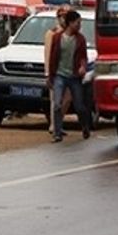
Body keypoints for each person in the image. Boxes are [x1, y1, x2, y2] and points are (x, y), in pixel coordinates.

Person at [47, 10, 91, 142]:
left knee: (79, 106)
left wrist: (83, 67)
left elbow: (83, 56)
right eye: (78, 23)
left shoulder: (80, 39)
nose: (79, 25)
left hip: (74, 77)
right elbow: (52, 58)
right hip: (60, 75)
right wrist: (50, 76)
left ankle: (84, 126)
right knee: (57, 104)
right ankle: (57, 132)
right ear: (71, 23)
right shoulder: (57, 38)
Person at [45, 8, 71, 135]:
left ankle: (58, 123)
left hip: (69, 70)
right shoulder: (52, 33)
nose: (64, 19)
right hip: (56, 71)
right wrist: (48, 73)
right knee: (55, 99)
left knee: (67, 98)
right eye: (62, 17)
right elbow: (48, 54)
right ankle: (54, 126)